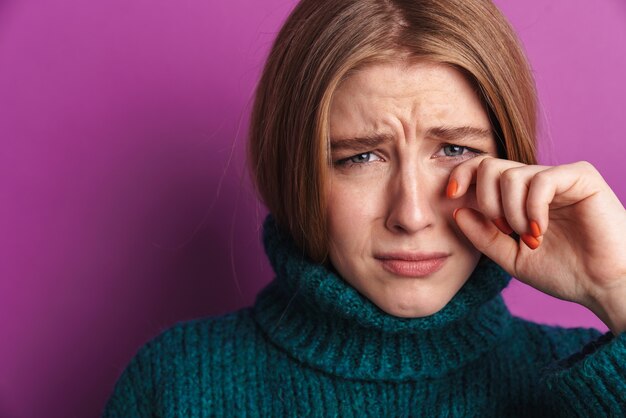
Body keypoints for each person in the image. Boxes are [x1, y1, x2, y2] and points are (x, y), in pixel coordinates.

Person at [102, 0, 626, 416]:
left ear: (510, 161)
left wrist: (619, 287)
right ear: (296, 170)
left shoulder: (593, 381)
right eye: (362, 157)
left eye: (455, 151)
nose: (412, 214)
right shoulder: (174, 385)